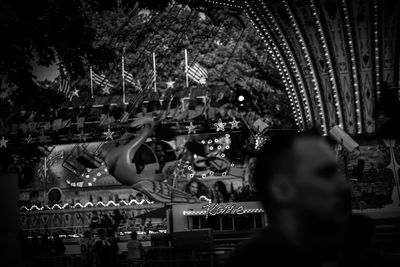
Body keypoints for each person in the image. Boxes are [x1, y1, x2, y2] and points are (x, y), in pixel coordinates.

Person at [224, 131, 390, 267]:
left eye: (338, 173)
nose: (343, 185)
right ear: (282, 189)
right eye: (325, 174)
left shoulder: (360, 241)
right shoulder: (252, 262)